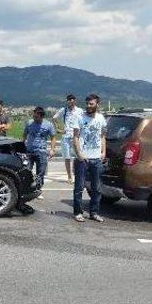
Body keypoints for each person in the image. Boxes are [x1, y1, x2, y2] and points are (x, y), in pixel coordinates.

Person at [70, 93, 107, 223]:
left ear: (97, 104)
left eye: (91, 104)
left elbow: (102, 136)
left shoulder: (101, 118)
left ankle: (94, 212)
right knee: (79, 187)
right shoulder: (79, 117)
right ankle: (78, 212)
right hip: (83, 158)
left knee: (96, 188)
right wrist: (79, 154)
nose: (88, 106)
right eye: (87, 103)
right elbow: (75, 137)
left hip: (96, 158)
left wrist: (103, 152)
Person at [52, 94, 84, 185]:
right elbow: (54, 118)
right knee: (67, 158)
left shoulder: (80, 111)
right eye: (69, 100)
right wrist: (58, 129)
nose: (71, 101)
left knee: (78, 156)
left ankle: (78, 175)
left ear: (75, 101)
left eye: (72, 99)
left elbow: (84, 122)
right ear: (67, 101)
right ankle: (69, 176)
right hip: (66, 136)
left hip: (76, 137)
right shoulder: (64, 110)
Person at [23, 107, 56, 190]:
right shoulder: (29, 123)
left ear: (42, 116)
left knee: (40, 172)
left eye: (36, 117)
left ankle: (38, 189)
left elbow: (53, 137)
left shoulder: (48, 125)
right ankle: (27, 188)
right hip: (29, 151)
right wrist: (22, 144)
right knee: (26, 171)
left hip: (41, 151)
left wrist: (52, 150)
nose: (34, 118)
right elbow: (24, 134)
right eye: (34, 116)